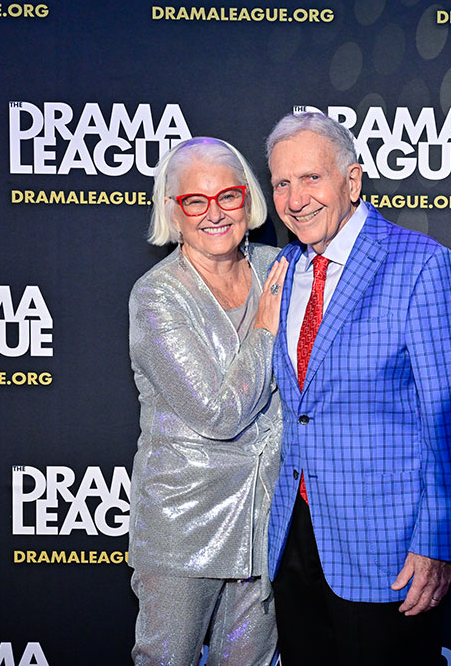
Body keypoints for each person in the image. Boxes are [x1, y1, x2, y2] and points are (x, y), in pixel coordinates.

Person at [264, 112, 451, 665]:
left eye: (311, 178)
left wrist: (436, 542)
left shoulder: (421, 265)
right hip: (294, 537)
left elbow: (450, 418)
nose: (295, 199)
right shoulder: (284, 269)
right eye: (282, 183)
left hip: (387, 547)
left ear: (352, 181)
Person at [127, 136, 288, 666]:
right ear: (173, 212)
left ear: (249, 200)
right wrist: (265, 329)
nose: (214, 213)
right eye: (195, 200)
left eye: (229, 196)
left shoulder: (280, 269)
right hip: (185, 522)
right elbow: (217, 413)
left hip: (265, 521)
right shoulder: (157, 295)